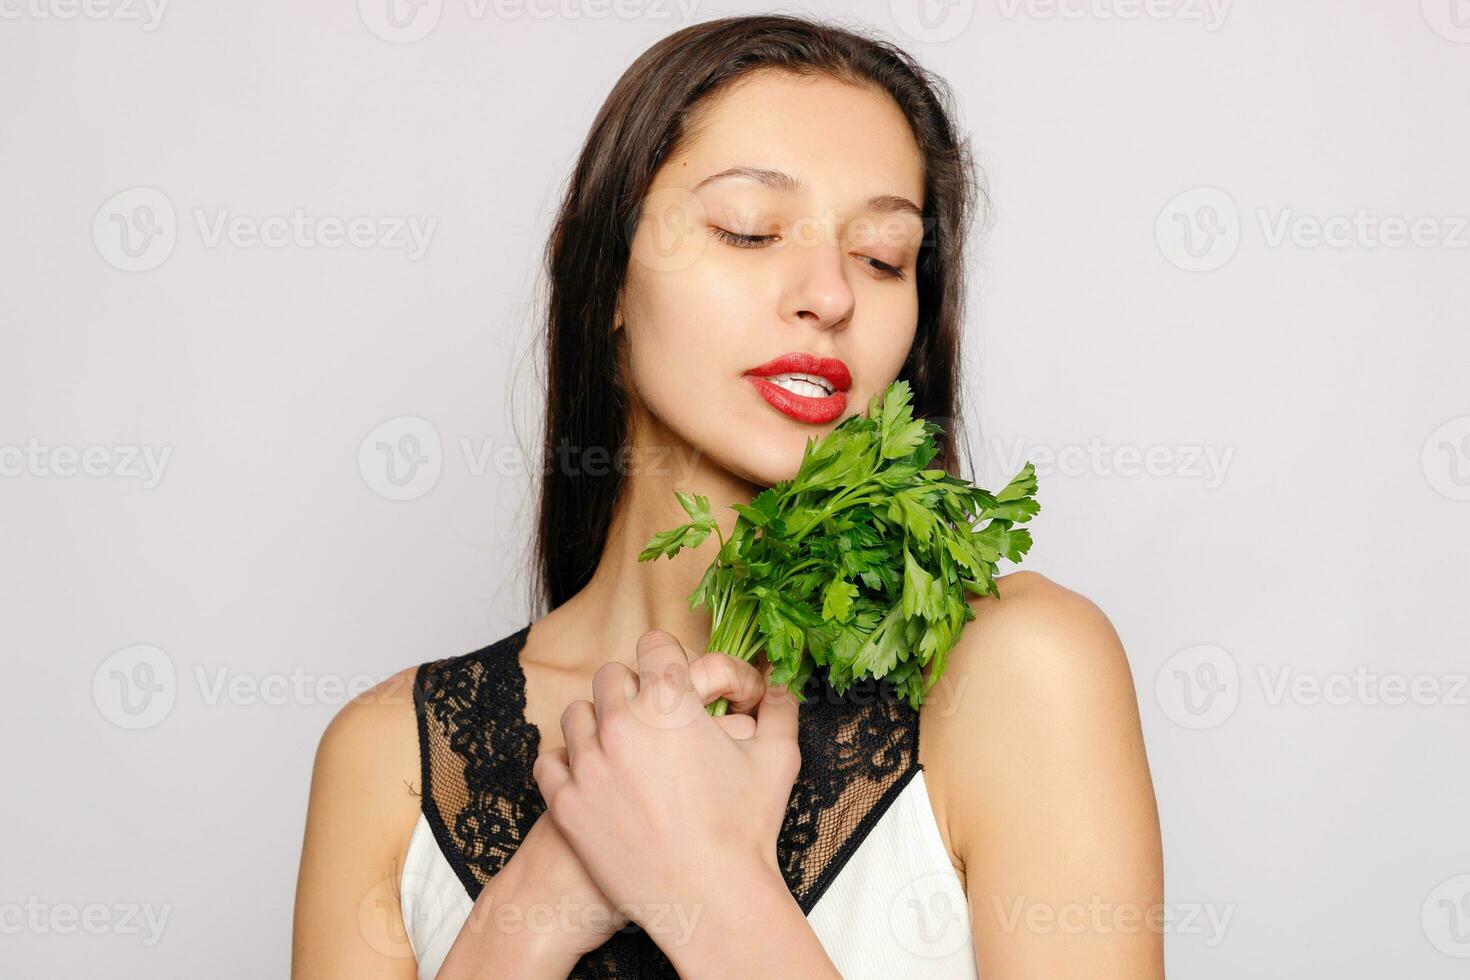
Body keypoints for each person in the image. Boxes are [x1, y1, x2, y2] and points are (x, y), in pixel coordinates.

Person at [291, 14, 1163, 978]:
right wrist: (536, 906)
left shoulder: (1018, 674)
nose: (830, 293)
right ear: (609, 279)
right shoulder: (388, 763)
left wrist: (706, 880)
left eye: (881, 256)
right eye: (748, 230)